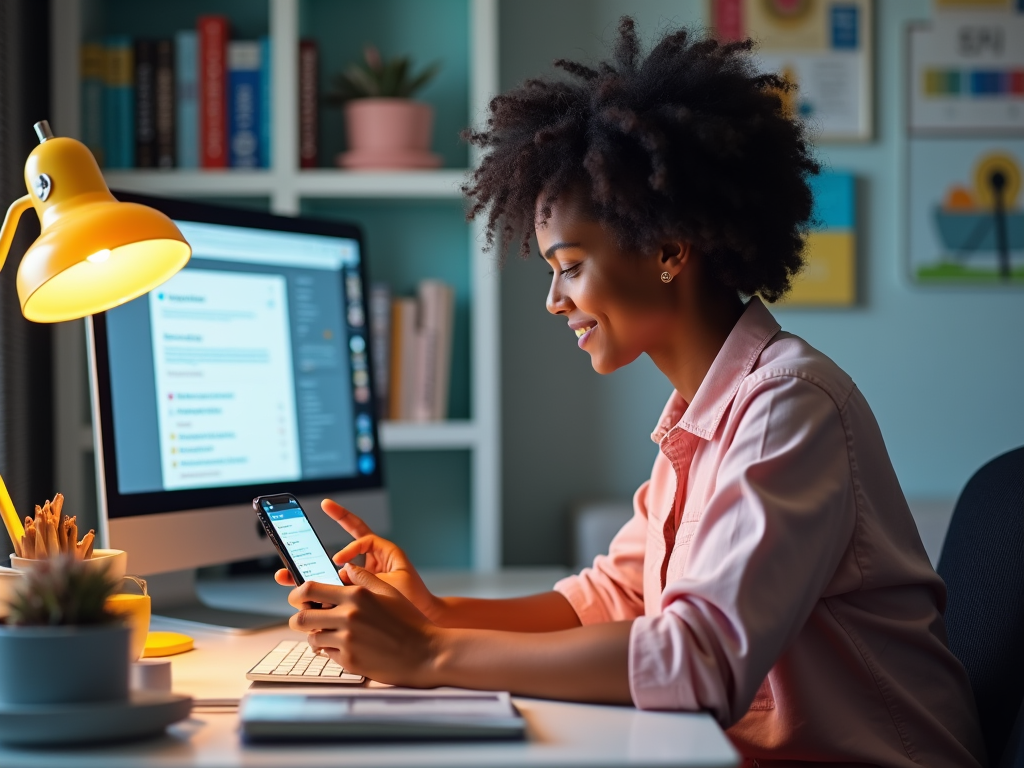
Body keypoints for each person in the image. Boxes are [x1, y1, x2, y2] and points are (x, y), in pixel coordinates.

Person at [275, 19, 986, 768]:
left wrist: (430, 655)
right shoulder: (703, 413)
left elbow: (697, 662)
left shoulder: (789, 407)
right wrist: (437, 613)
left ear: (670, 250)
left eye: (571, 264)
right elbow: (611, 600)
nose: (553, 300)